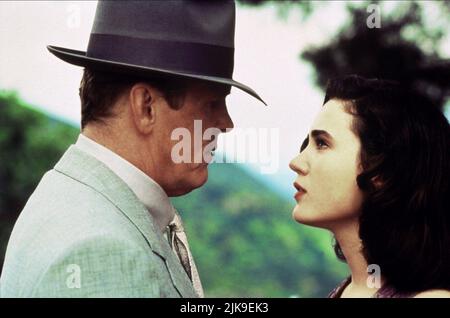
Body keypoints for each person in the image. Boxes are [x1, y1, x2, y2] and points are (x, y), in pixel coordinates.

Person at [0, 1, 265, 297]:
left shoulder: (73, 200)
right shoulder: (103, 251)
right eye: (212, 103)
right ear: (146, 106)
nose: (226, 123)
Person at [289, 75, 450, 298]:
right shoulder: (348, 290)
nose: (295, 162)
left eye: (322, 143)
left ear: (382, 170)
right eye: (307, 144)